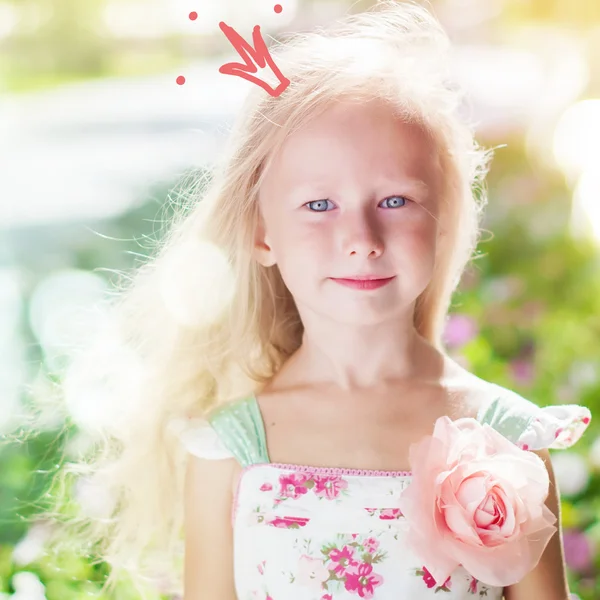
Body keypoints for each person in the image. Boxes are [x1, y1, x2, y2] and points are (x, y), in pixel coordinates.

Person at [33, 1, 591, 599]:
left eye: (396, 200)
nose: (361, 241)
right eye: (319, 206)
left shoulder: (506, 445)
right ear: (261, 234)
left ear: (444, 220)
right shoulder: (232, 450)